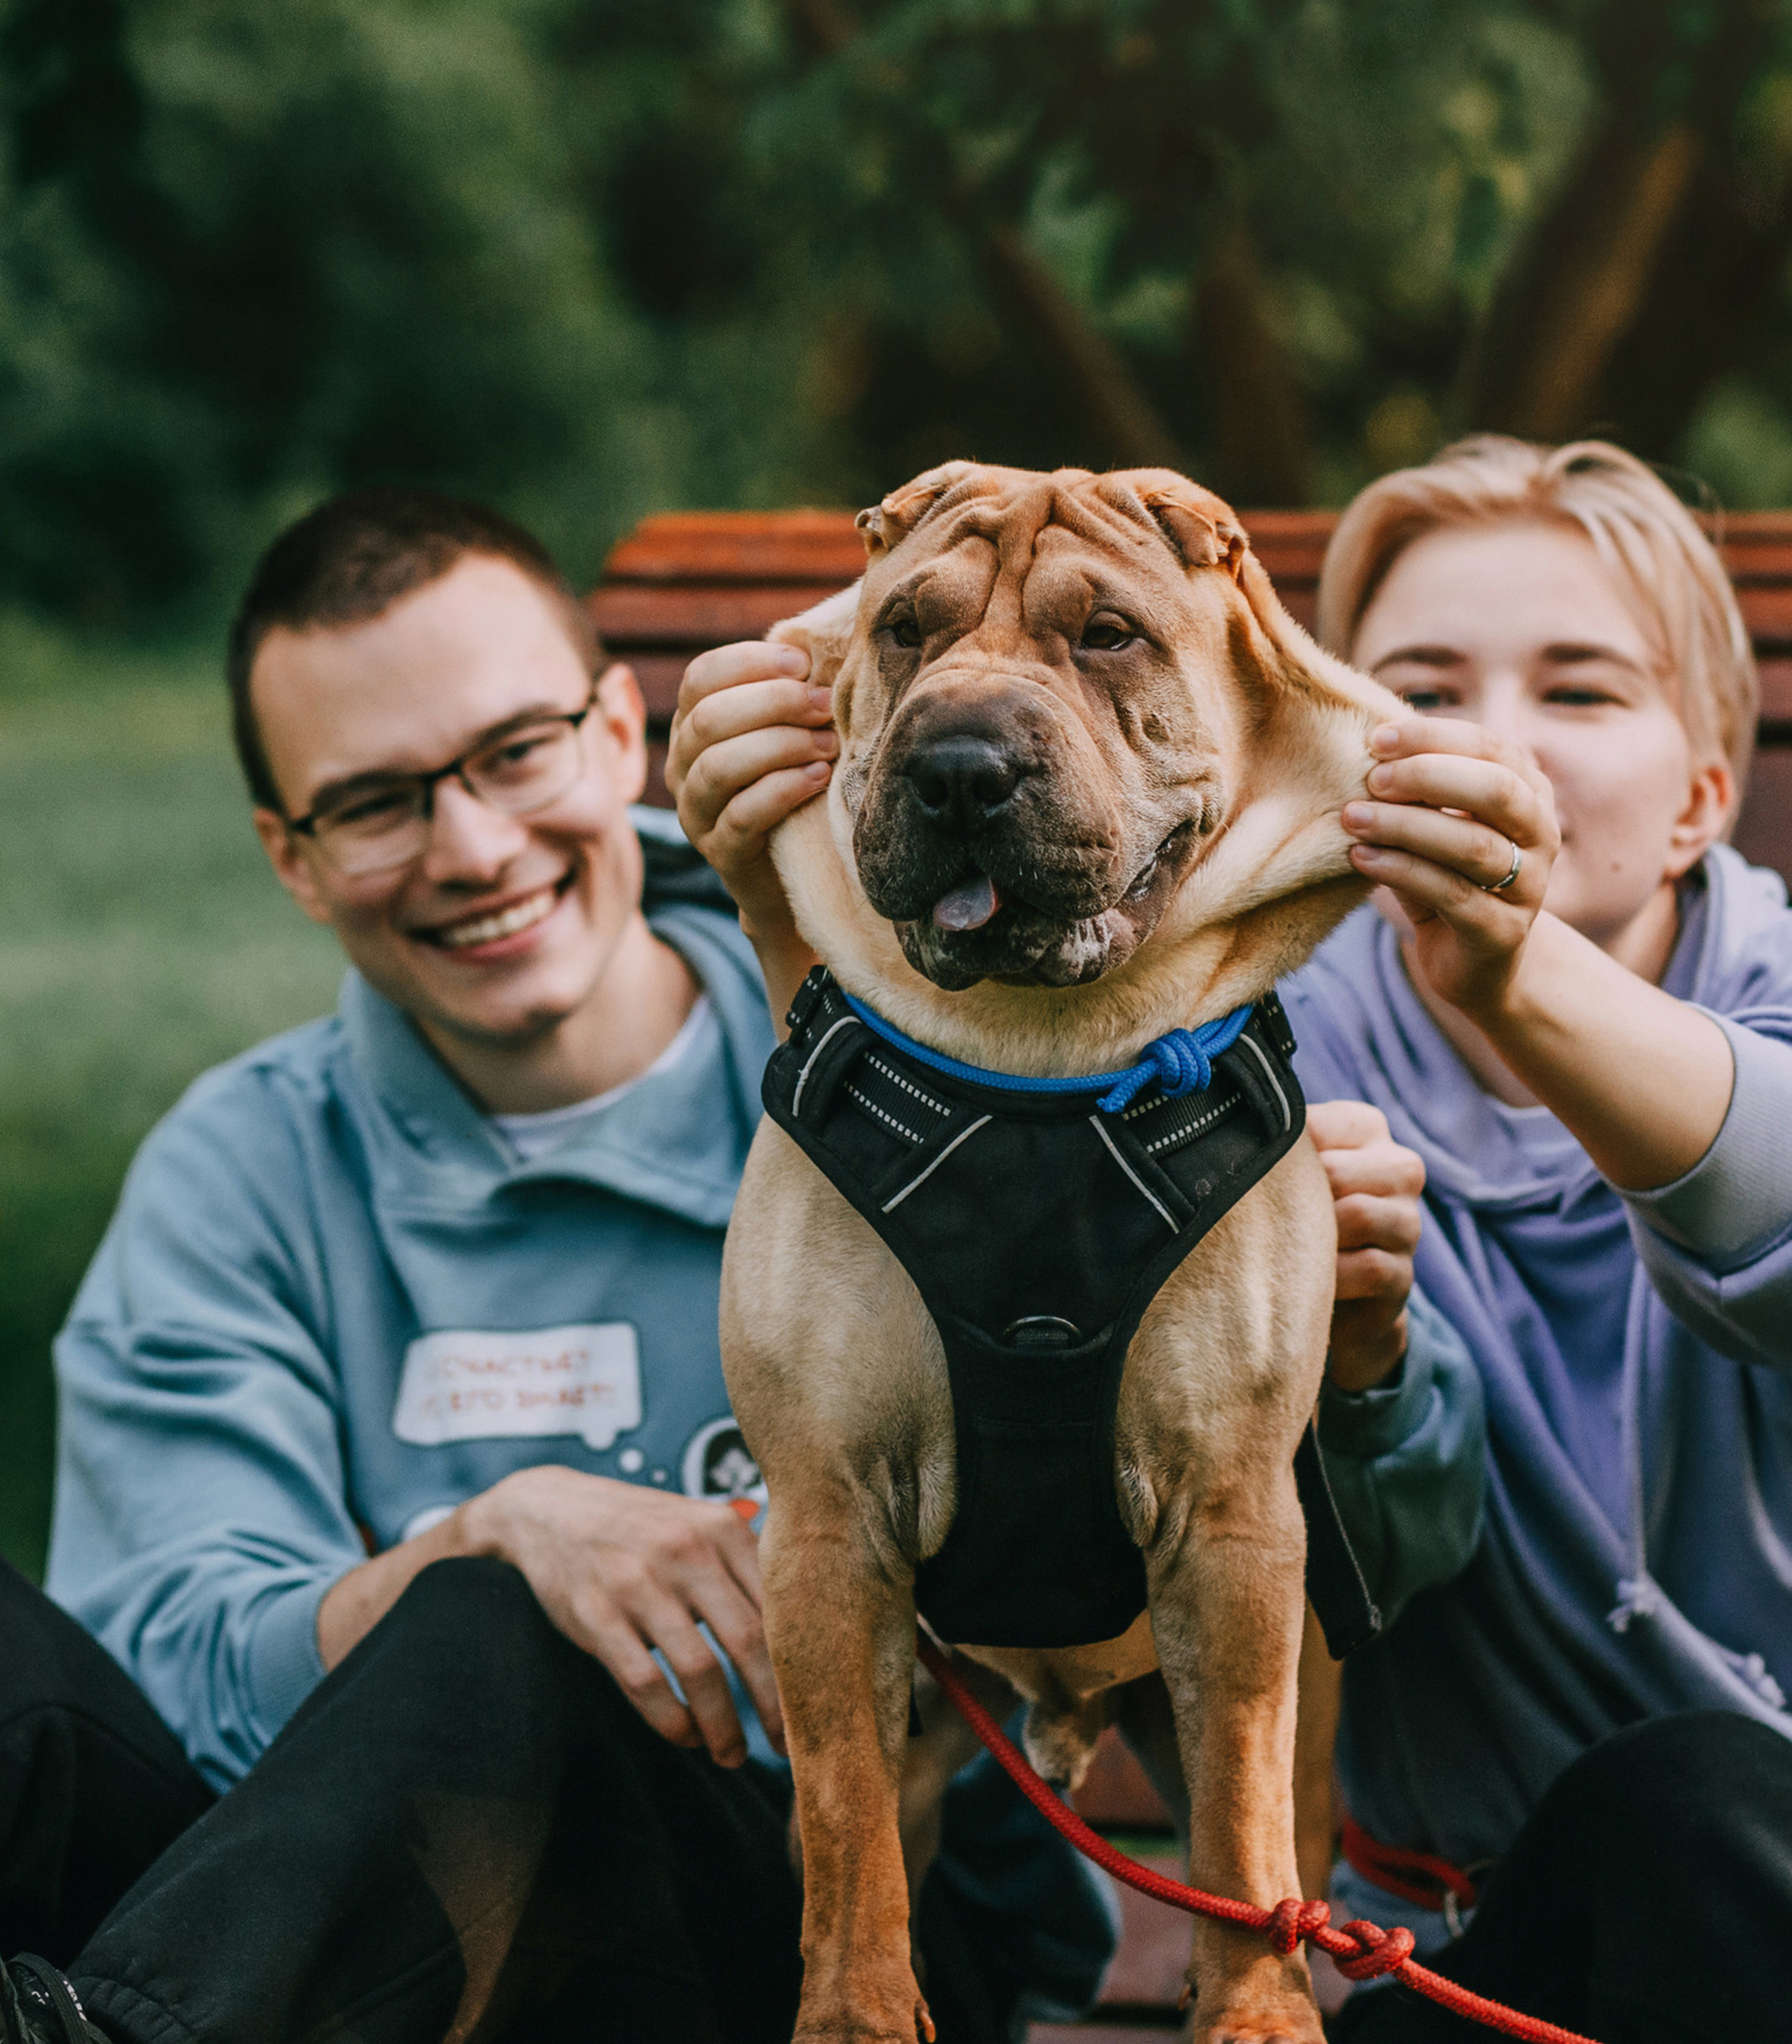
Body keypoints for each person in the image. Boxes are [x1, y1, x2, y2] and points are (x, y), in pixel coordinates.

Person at [673, 438, 1792, 2042]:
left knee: (1684, 1799)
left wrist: (1508, 969)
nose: (1483, 737)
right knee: (1622, 1838)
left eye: (1579, 691)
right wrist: (790, 904)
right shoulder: (1222, 1047)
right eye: (1422, 684)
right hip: (1487, 1952)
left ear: (1699, 793)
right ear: (1314, 730)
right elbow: (1358, 1549)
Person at [0, 487, 1116, 2044]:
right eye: (376, 802)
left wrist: (504, 1595)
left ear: (612, 731)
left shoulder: (915, 1055)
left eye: (511, 751)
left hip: (824, 1933)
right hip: (315, 1957)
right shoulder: (240, 1165)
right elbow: (159, 1663)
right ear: (291, 856)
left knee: (500, 1627)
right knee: (477, 1592)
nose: (470, 846)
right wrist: (489, 1528)